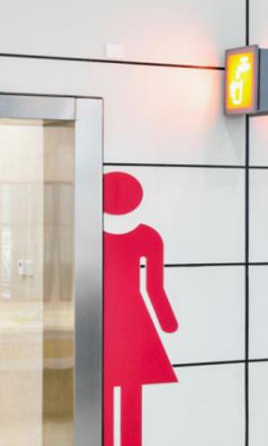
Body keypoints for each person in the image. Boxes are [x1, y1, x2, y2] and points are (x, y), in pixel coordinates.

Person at [102, 171, 178, 446]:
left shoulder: (91, 238)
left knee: (107, 384)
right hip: (134, 319)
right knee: (131, 385)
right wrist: (168, 323)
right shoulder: (148, 236)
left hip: (107, 315)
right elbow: (154, 287)